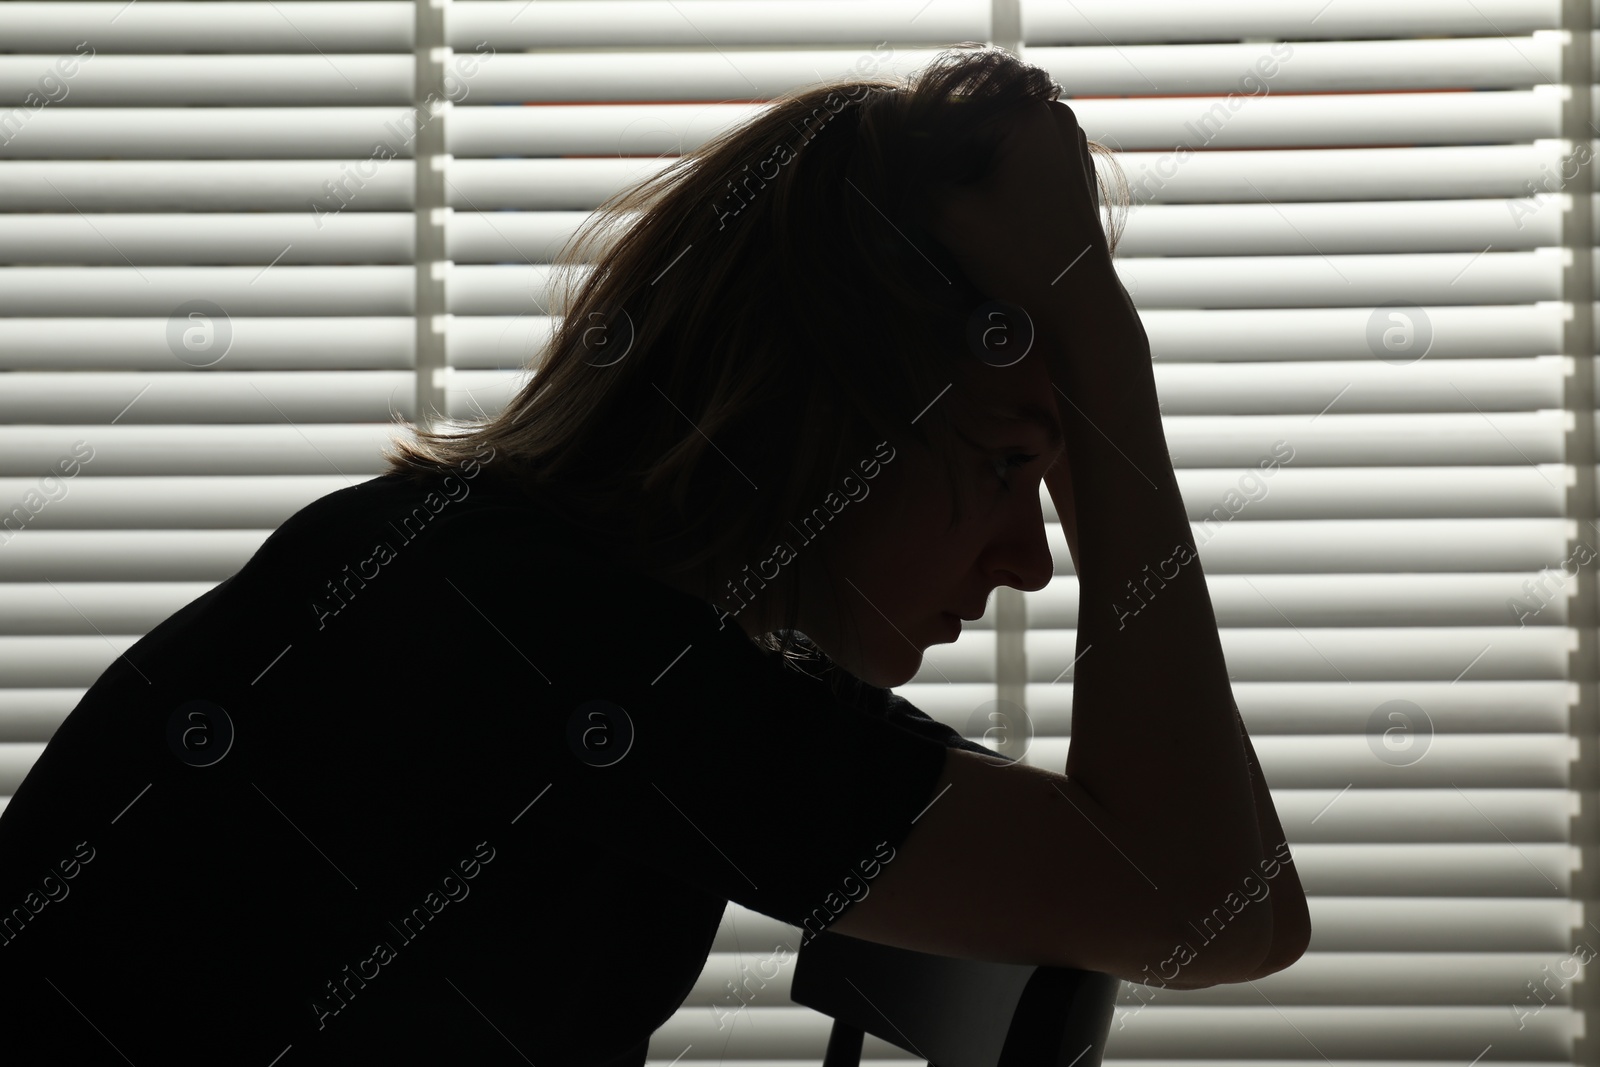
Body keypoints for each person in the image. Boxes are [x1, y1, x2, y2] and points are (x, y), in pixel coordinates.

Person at [0, 45, 1308, 1065]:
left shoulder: (520, 594)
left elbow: (1196, 884)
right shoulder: (567, 654)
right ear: (838, 419)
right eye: (1008, 470)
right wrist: (1103, 355)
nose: (1031, 560)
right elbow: (1216, 903)